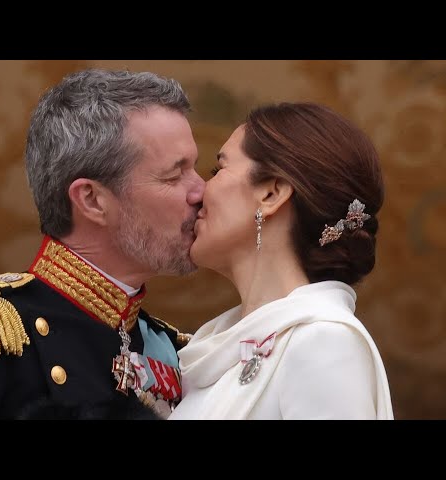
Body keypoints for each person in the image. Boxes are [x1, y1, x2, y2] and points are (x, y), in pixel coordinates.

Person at [0, 69, 204, 420]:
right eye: (174, 175)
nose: (201, 191)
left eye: (196, 168)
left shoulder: (172, 348)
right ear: (91, 200)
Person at [168, 102, 394, 420]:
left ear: (272, 194)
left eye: (218, 170)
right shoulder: (222, 347)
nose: (199, 192)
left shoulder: (323, 341)